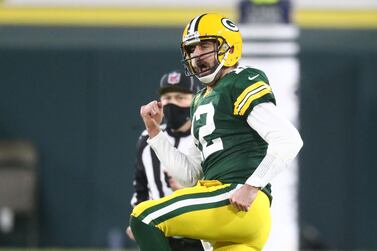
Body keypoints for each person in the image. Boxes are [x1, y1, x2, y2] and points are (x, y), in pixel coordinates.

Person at [129, 13, 303, 251]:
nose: (196, 54)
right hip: (230, 220)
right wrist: (155, 132)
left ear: (229, 47)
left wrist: (251, 187)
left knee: (144, 217)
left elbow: (288, 140)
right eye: (191, 49)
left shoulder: (240, 81)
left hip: (235, 199)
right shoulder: (199, 99)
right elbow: (190, 175)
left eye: (204, 45)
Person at [126, 69, 204, 251]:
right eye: (167, 98)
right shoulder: (147, 138)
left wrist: (189, 190)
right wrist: (137, 218)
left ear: (195, 99)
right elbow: (141, 186)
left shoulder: (202, 136)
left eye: (180, 97)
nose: (173, 103)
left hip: (200, 236)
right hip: (161, 235)